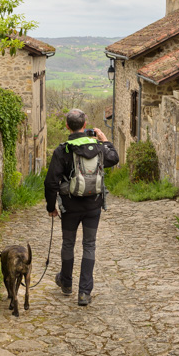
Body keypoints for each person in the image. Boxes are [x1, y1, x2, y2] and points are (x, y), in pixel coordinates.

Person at [44, 108, 119, 306]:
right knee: (89, 245)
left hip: (70, 206)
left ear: (67, 126)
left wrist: (51, 206)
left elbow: (51, 182)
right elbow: (114, 158)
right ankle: (84, 293)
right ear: (85, 125)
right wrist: (104, 140)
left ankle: (66, 284)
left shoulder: (63, 150)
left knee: (68, 244)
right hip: (93, 205)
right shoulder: (97, 147)